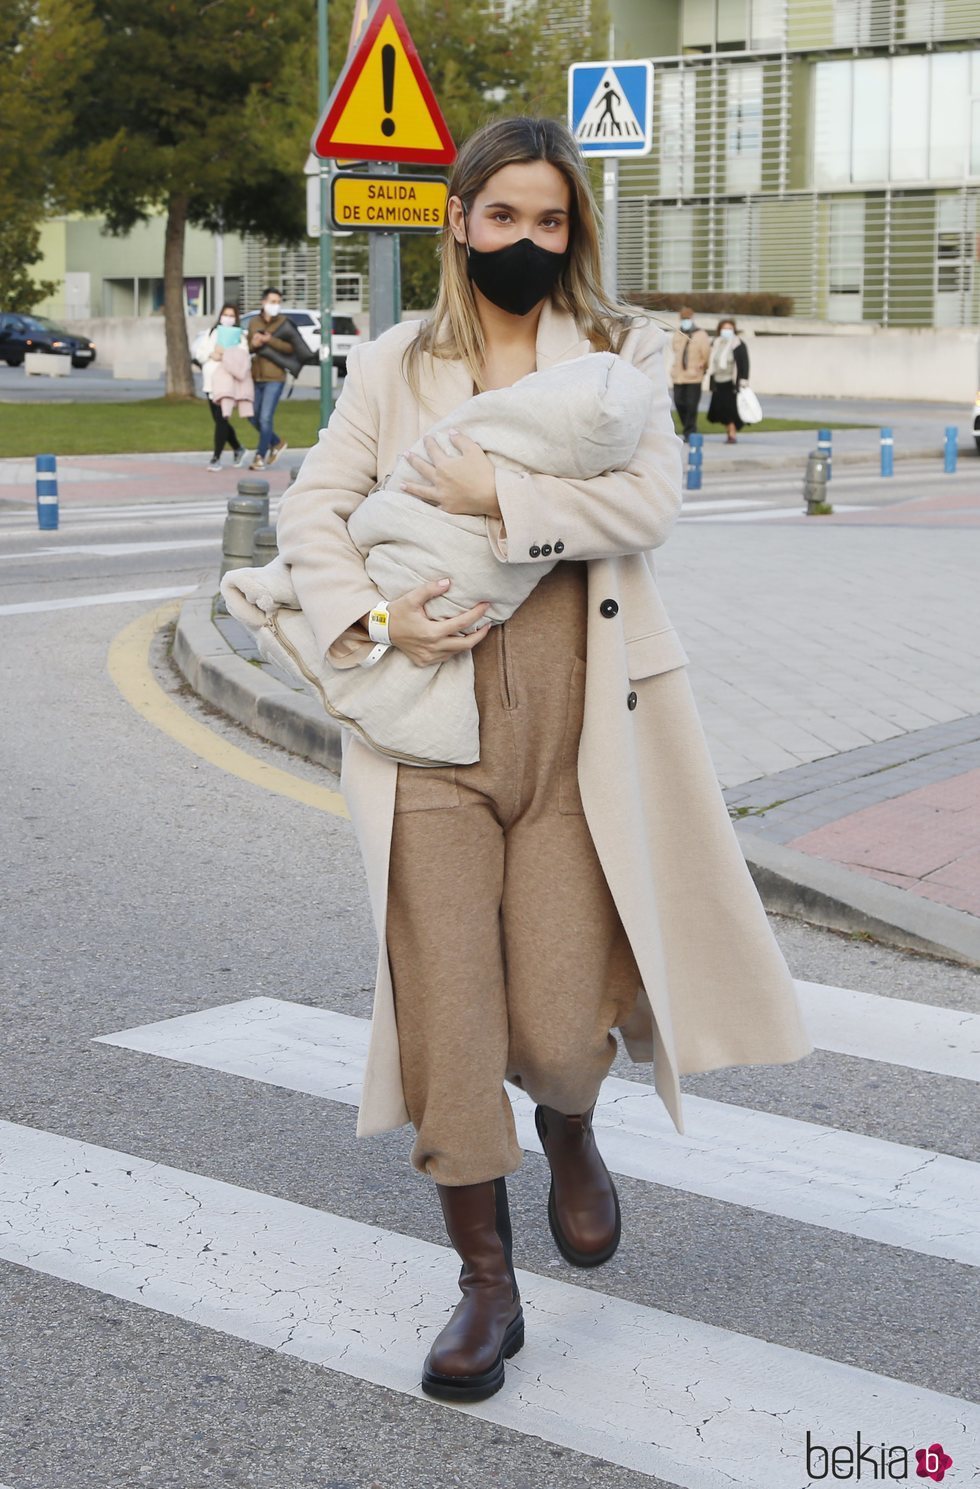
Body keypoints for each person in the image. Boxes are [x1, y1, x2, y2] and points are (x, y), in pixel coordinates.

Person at [275, 116, 812, 1404]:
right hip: (427, 731)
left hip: (584, 741)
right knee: (449, 1019)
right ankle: (484, 1285)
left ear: (573, 231)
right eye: (503, 216)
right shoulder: (395, 360)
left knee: (563, 1027)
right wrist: (378, 614)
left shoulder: (617, 353)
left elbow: (648, 505)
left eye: (550, 220)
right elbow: (311, 505)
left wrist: (491, 504)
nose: (526, 240)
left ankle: (570, 1125)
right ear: (457, 220)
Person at [198, 304, 249, 472]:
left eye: (231, 315)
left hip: (226, 383)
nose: (227, 318)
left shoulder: (240, 336)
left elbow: (242, 358)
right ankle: (237, 448)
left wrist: (225, 354)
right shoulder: (211, 333)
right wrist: (211, 354)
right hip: (210, 383)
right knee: (219, 420)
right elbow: (200, 352)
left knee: (221, 420)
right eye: (225, 314)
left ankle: (216, 457)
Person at [246, 287, 291, 470]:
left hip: (275, 376)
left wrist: (269, 340)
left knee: (265, 417)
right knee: (251, 414)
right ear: (263, 302)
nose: (275, 305)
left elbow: (290, 348)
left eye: (278, 302)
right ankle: (276, 442)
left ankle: (259, 456)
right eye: (272, 302)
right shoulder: (254, 322)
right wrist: (254, 343)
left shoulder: (284, 323)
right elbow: (248, 347)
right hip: (256, 376)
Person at [669, 305, 710, 442]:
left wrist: (703, 365)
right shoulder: (678, 333)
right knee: (679, 402)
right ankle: (688, 427)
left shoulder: (701, 334)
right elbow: (675, 349)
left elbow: (706, 353)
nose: (685, 320)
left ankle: (690, 431)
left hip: (694, 376)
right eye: (683, 318)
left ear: (692, 318)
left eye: (687, 318)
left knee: (692, 404)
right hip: (679, 375)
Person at [706, 316, 750, 444]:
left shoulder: (738, 344)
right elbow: (711, 360)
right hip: (717, 381)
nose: (727, 330)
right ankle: (729, 432)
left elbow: (744, 363)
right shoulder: (716, 342)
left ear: (734, 330)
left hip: (731, 382)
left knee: (730, 410)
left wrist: (744, 379)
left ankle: (732, 433)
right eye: (724, 328)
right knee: (721, 410)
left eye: (729, 328)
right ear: (719, 330)